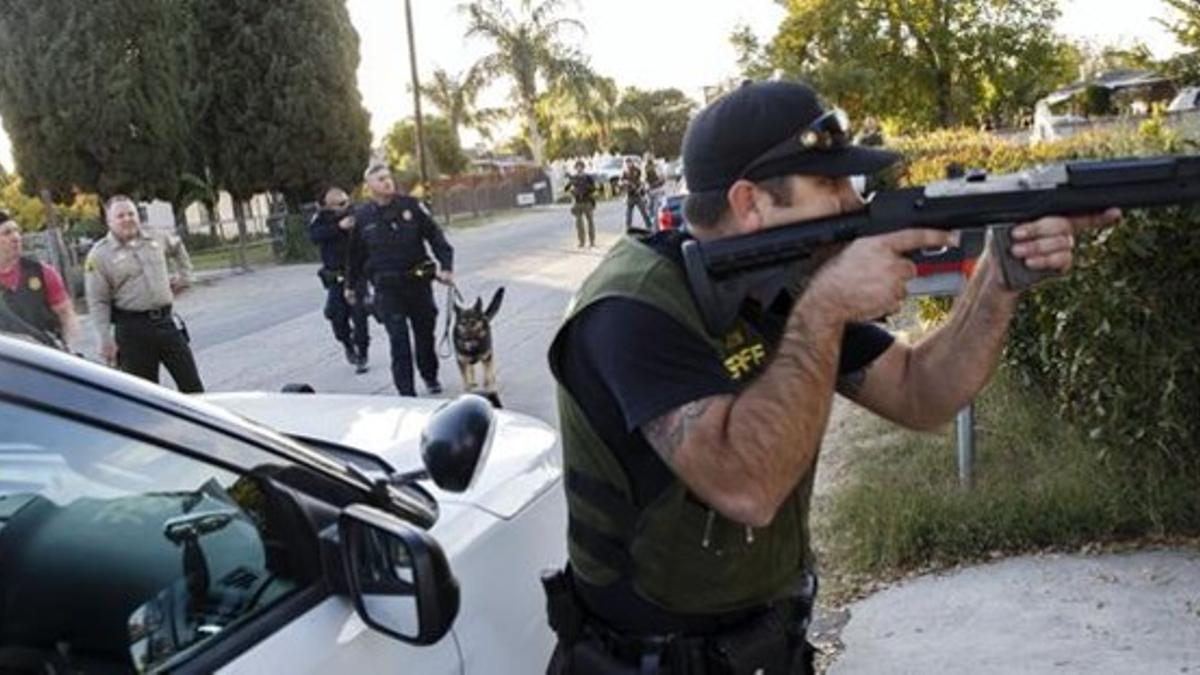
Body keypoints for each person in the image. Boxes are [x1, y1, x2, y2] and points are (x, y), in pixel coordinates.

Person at [542, 80, 1119, 674]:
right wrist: (825, 308)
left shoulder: (778, 282)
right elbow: (747, 489)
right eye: (829, 183)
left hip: (765, 649)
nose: (852, 202)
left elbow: (922, 392)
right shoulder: (631, 311)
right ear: (750, 203)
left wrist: (999, 279)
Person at [347, 163, 454, 397]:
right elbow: (355, 256)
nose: (387, 182)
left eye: (388, 177)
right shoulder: (363, 217)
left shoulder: (411, 207)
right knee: (399, 342)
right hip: (388, 289)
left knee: (425, 335)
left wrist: (446, 267)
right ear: (370, 187)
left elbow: (435, 236)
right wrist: (350, 286)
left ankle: (429, 375)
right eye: (380, 179)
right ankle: (406, 393)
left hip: (417, 284)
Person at [85, 195, 204, 392]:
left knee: (192, 386)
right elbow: (98, 301)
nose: (127, 219)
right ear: (109, 222)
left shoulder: (155, 237)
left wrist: (185, 277)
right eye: (120, 216)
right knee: (147, 395)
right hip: (133, 331)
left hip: (166, 324)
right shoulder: (100, 255)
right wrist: (105, 340)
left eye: (131, 214)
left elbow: (177, 247)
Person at [309, 185, 370, 373]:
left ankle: (362, 353)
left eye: (346, 201)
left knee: (359, 315)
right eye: (339, 204)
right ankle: (348, 344)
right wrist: (338, 227)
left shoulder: (357, 214)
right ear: (328, 207)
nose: (345, 206)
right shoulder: (321, 219)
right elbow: (314, 236)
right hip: (336, 277)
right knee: (337, 317)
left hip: (357, 275)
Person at [0, 213, 82, 350]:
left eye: (17, 231)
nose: (16, 237)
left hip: (46, 353)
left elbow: (66, 314)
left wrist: (69, 348)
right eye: (7, 233)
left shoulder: (42, 272)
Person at [567, 160, 598, 247]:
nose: (579, 168)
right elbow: (567, 188)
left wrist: (586, 188)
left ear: (583, 167)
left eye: (580, 166)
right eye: (577, 166)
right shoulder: (574, 178)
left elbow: (594, 188)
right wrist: (573, 190)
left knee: (590, 222)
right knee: (579, 224)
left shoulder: (588, 177)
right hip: (578, 202)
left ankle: (592, 241)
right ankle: (581, 242)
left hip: (587, 201)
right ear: (576, 168)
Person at [619, 157, 652, 230]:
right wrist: (625, 183)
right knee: (628, 214)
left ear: (632, 162)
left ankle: (649, 226)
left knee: (644, 212)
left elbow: (642, 179)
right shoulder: (624, 172)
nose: (628, 164)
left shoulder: (637, 170)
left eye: (629, 162)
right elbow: (620, 182)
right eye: (627, 163)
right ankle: (628, 228)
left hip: (638, 194)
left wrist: (640, 187)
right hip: (629, 195)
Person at [644, 155, 667, 228]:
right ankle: (652, 223)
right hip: (650, 191)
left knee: (656, 209)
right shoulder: (644, 168)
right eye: (647, 158)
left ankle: (656, 226)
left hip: (658, 189)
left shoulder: (657, 166)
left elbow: (663, 178)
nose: (649, 159)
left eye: (650, 158)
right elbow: (643, 179)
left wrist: (658, 182)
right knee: (650, 208)